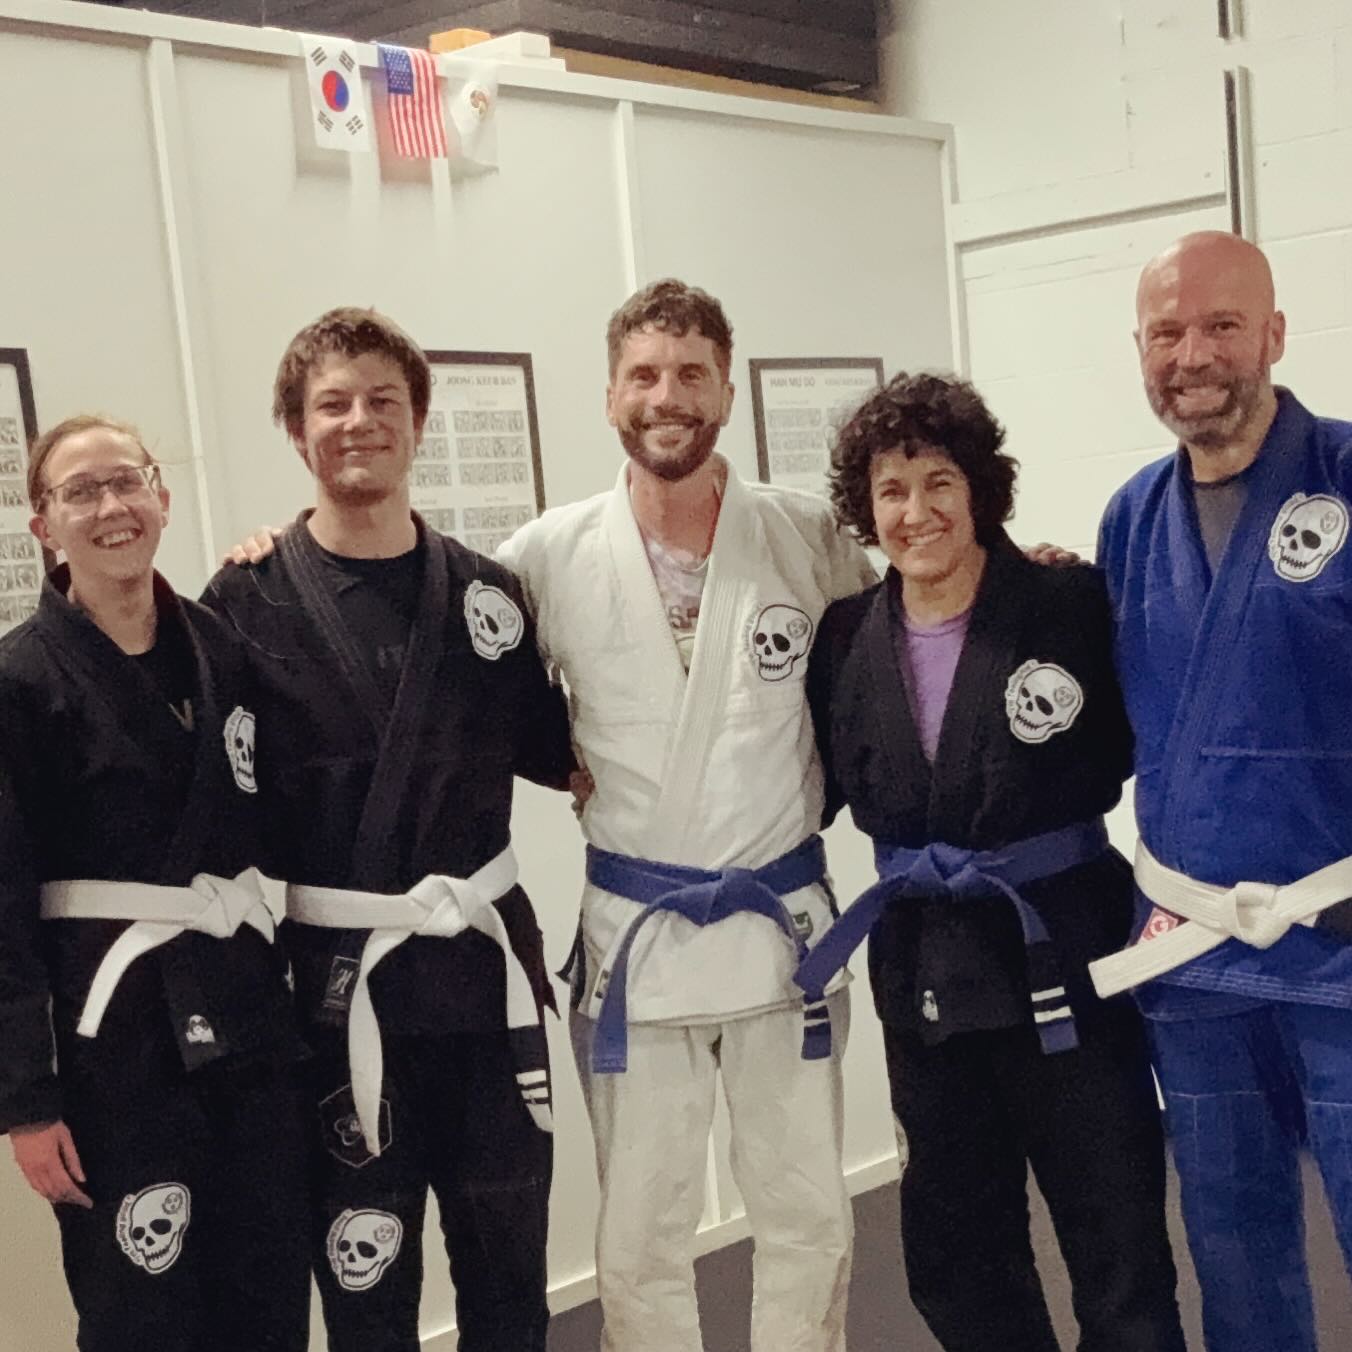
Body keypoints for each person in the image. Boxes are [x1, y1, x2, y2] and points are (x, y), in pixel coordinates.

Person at [496, 280, 874, 1352]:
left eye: (691, 372)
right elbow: (456, 668)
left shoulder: (806, 534)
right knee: (638, 1236)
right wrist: (265, 552)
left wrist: (1022, 571)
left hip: (780, 938)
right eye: (645, 374)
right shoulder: (544, 556)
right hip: (636, 944)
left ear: (725, 387)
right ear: (610, 393)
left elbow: (906, 631)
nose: (668, 395)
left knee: (805, 1212)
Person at [204, 308, 574, 1352]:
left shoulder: (489, 598)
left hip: (485, 979)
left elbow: (573, 747)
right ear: (294, 427)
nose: (358, 421)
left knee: (509, 1272)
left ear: (416, 421)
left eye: (381, 400)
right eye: (332, 403)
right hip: (338, 987)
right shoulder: (242, 600)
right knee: (366, 1279)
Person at [797, 373, 1187, 1352]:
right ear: (865, 505)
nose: (914, 510)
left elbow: (1161, 738)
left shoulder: (1066, 602)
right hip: (922, 970)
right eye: (890, 488)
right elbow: (804, 777)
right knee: (954, 1253)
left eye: (937, 481)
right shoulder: (844, 636)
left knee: (1117, 1245)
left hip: (1065, 956)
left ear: (977, 487)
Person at [1090, 230, 1352, 1352]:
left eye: (1218, 325)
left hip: (1339, 942)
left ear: (1274, 335)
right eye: (1164, 331)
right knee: (1233, 1254)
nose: (1189, 353)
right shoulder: (1128, 518)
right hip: (1192, 956)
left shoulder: (1342, 475)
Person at [0, 415, 310, 1351]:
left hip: (250, 1030)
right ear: (42, 524)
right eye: (80, 492)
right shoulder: (18, 680)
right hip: (115, 1051)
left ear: (162, 498)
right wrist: (26, 1099)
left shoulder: (224, 649)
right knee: (142, 1313)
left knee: (265, 1302)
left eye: (127, 482)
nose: (111, 508)